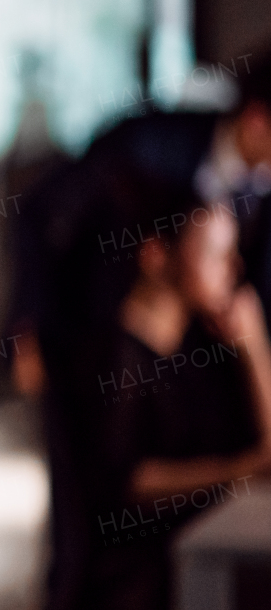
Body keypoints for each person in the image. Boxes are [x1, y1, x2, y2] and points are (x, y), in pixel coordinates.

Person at [70, 194, 271, 609]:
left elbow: (268, 454)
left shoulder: (202, 347)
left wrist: (254, 348)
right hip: (142, 580)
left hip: (204, 553)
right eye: (216, 254)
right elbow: (127, 482)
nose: (233, 270)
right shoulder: (115, 358)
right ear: (157, 255)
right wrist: (235, 472)